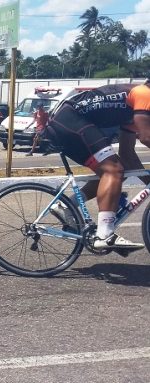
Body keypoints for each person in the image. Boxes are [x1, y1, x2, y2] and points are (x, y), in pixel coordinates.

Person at [45, 78, 150, 252]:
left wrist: (147, 180)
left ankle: (66, 207)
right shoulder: (144, 94)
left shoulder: (132, 110)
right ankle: (104, 235)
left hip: (67, 122)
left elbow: (128, 155)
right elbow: (146, 137)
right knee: (114, 170)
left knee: (113, 171)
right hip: (71, 121)